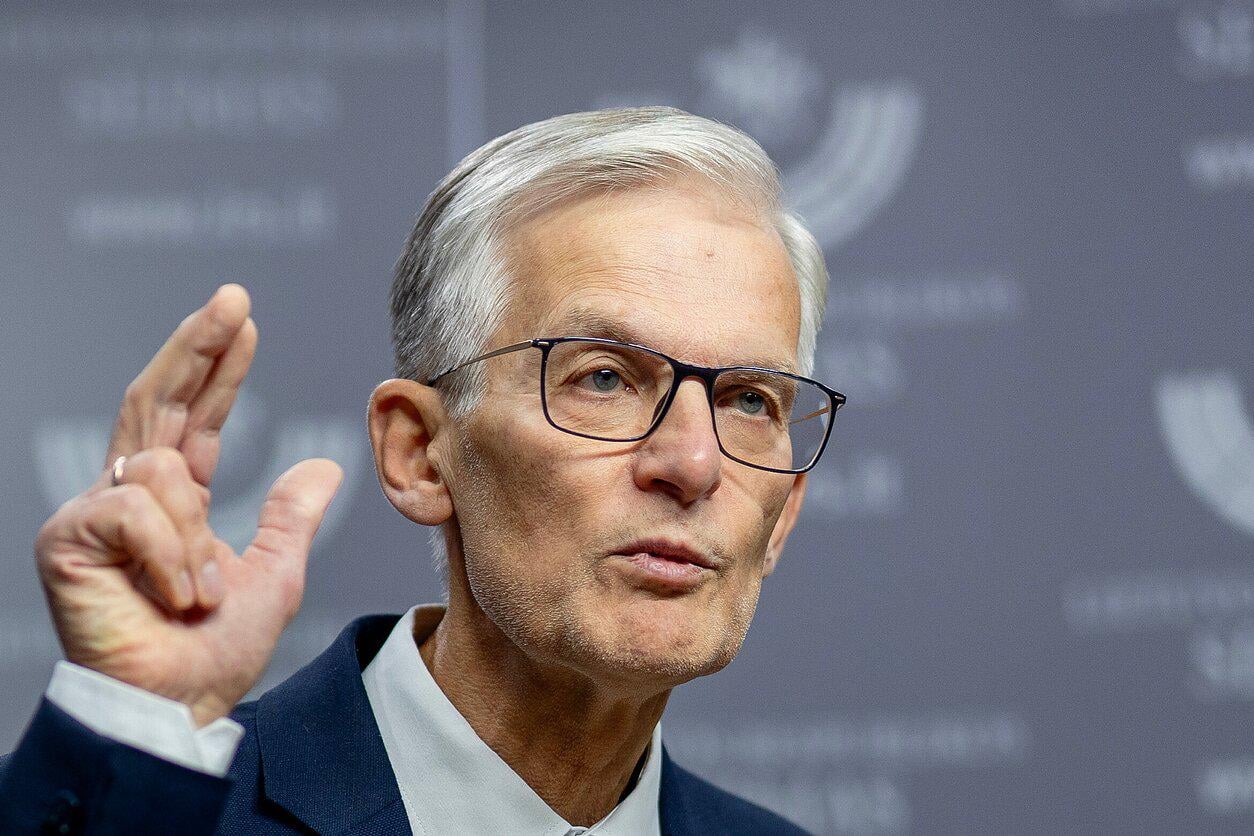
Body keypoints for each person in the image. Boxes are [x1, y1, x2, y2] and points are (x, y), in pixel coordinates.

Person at [0, 107, 844, 834]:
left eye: (749, 400)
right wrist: (133, 730)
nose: (694, 462)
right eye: (603, 379)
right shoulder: (159, 806)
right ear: (419, 454)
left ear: (785, 511)